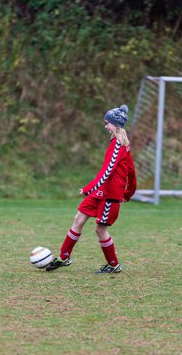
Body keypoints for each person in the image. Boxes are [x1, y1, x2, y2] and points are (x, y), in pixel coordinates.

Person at [46, 104, 137, 273]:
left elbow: (108, 170)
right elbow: (130, 171)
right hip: (101, 191)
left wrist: (90, 188)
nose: (105, 126)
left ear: (115, 125)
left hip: (110, 194)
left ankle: (113, 265)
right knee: (78, 219)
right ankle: (64, 257)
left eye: (107, 123)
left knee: (100, 229)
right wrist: (127, 191)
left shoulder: (119, 144)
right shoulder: (118, 143)